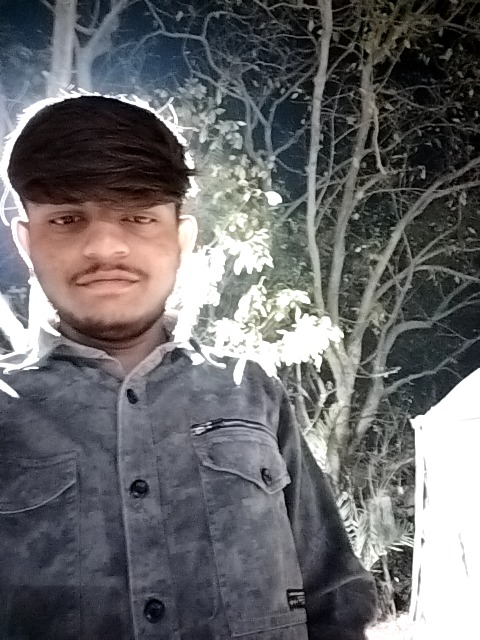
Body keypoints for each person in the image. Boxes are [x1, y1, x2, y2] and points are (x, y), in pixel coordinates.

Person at [0, 94, 376, 640]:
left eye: (138, 216)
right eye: (67, 218)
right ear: (25, 240)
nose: (105, 246)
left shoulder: (254, 394)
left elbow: (334, 599)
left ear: (182, 238)